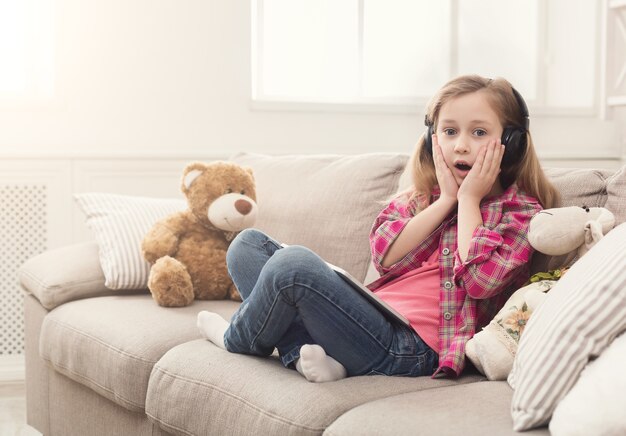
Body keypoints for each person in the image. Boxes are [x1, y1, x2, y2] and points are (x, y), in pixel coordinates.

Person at [197, 74, 560, 382]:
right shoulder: (424, 198)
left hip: (411, 349)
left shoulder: (522, 213)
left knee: (292, 266)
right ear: (433, 138)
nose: (461, 145)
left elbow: (480, 282)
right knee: (247, 245)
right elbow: (385, 256)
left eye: (479, 132)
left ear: (511, 145)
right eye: (450, 131)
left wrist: (469, 201)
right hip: (367, 320)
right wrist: (446, 200)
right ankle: (311, 354)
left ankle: (236, 338)